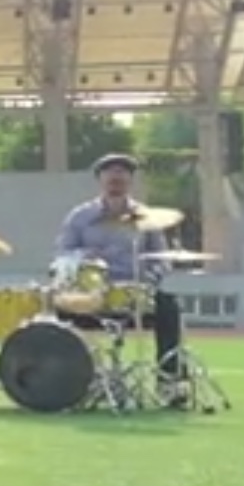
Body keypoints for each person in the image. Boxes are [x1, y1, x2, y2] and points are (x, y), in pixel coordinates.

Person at [56, 153, 187, 404]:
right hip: (90, 293)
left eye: (122, 172)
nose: (116, 177)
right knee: (58, 310)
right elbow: (63, 253)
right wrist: (83, 257)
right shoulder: (79, 217)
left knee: (169, 308)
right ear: (100, 179)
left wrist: (149, 280)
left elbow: (161, 258)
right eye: (110, 172)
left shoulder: (147, 218)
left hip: (134, 293)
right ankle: (71, 382)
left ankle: (170, 383)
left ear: (131, 180)